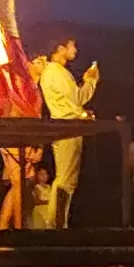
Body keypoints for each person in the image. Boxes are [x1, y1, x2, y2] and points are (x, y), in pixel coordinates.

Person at [40, 36, 100, 228]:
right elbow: (71, 104)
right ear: (60, 47)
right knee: (65, 178)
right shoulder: (53, 71)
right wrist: (81, 113)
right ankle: (55, 226)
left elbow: (75, 101)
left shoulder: (59, 72)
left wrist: (90, 82)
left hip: (70, 127)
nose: (75, 49)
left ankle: (58, 224)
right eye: (72, 45)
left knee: (68, 178)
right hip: (66, 127)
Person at [28, 165, 54, 229]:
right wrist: (49, 201)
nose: (43, 176)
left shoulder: (50, 187)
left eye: (45, 174)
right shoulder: (36, 187)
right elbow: (37, 201)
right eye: (41, 174)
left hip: (49, 210)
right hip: (40, 211)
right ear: (36, 175)